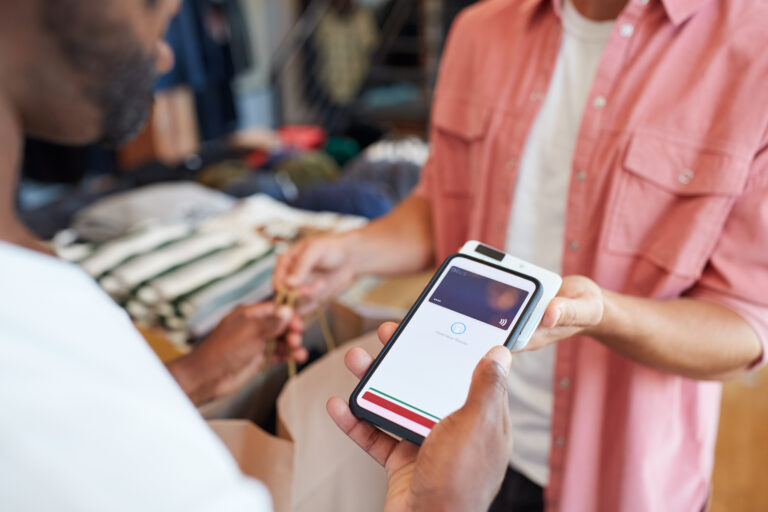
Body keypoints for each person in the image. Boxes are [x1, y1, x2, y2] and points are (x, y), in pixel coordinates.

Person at [0, 0, 518, 511]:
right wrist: (446, 504)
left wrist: (190, 376)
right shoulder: (36, 343)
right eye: (150, 7)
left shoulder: (44, 304)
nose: (165, 57)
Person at [274, 0, 768, 510]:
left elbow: (744, 324)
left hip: (624, 473)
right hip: (460, 447)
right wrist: (352, 252)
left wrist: (603, 314)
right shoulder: (479, 30)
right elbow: (443, 207)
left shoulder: (755, 48)